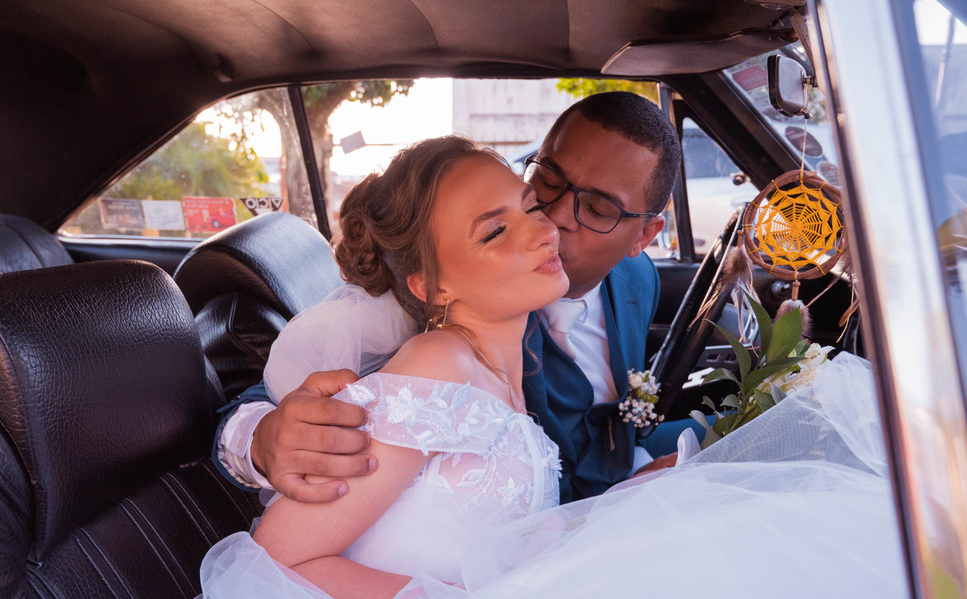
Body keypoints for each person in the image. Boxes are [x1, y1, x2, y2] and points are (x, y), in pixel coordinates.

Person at [154, 135, 927, 599]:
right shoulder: (434, 370)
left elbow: (478, 524)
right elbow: (278, 564)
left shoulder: (499, 366)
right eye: (494, 233)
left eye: (528, 207)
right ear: (431, 284)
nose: (541, 231)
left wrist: (621, 500)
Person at [217, 92, 684, 505]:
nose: (555, 217)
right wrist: (260, 440)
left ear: (644, 236)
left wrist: (640, 469)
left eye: (599, 208)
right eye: (548, 179)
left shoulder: (638, 279)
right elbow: (281, 394)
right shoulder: (443, 303)